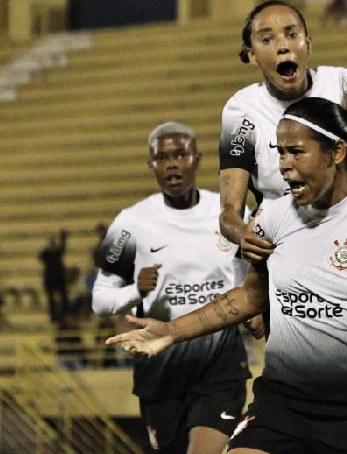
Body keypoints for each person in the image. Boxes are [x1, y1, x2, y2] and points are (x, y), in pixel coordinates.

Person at [109, 85, 347, 454]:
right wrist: (170, 331)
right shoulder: (272, 217)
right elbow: (249, 298)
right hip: (284, 404)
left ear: (336, 152)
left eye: (296, 152)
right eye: (280, 153)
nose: (284, 165)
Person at [92, 122, 251, 454]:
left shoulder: (230, 216)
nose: (173, 164)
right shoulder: (128, 224)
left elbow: (256, 279)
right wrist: (130, 311)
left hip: (219, 369)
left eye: (181, 154)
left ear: (197, 159)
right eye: (162, 158)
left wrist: (258, 316)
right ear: (151, 165)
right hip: (159, 375)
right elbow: (102, 297)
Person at [219, 0, 347, 336]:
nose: (283, 44)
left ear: (308, 43)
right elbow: (228, 213)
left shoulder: (346, 87)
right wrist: (247, 244)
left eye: (291, 34)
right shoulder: (242, 110)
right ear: (252, 54)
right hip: (282, 256)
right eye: (267, 39)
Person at [39, 229, 69, 328]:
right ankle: (54, 317)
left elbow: (63, 247)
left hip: (59, 279)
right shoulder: (46, 254)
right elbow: (41, 256)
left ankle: (64, 315)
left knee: (63, 298)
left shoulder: (57, 253)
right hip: (50, 279)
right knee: (51, 299)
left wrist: (63, 238)